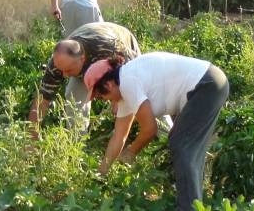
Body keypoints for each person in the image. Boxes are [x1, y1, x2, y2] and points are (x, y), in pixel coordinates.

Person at [83, 52, 229, 211]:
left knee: (182, 144)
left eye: (99, 95)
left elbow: (150, 130)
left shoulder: (128, 82)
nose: (103, 100)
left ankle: (189, 207)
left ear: (108, 84)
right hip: (209, 83)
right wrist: (101, 172)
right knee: (186, 147)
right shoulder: (124, 91)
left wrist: (131, 152)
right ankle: (195, 203)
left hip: (206, 85)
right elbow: (119, 136)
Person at [28, 22, 141, 137]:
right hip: (87, 64)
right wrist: (31, 136)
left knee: (137, 99)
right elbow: (42, 100)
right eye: (62, 70)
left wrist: (118, 99)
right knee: (73, 96)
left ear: (82, 59)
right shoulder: (58, 64)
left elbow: (134, 72)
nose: (65, 75)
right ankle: (76, 142)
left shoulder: (107, 47)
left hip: (124, 46)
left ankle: (151, 132)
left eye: (68, 70)